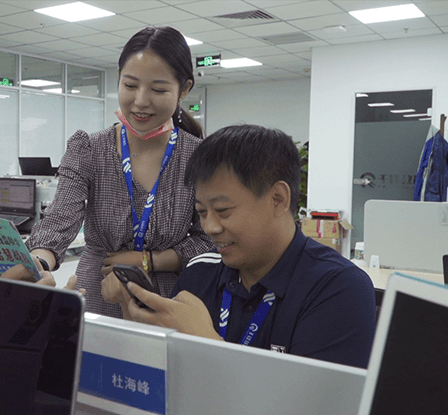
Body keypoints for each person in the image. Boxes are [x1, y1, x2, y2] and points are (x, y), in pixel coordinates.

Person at [117, 124, 376, 368]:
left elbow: (307, 397)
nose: (210, 227)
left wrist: (204, 341)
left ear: (278, 199)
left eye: (223, 210)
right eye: (202, 212)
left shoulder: (338, 288)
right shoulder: (199, 273)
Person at [25, 26, 214, 318]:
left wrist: (151, 260)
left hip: (169, 301)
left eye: (158, 90)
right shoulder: (89, 148)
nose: (141, 101)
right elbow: (60, 219)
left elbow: (210, 240)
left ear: (184, 89)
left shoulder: (200, 157)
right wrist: (38, 263)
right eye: (130, 85)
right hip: (97, 295)